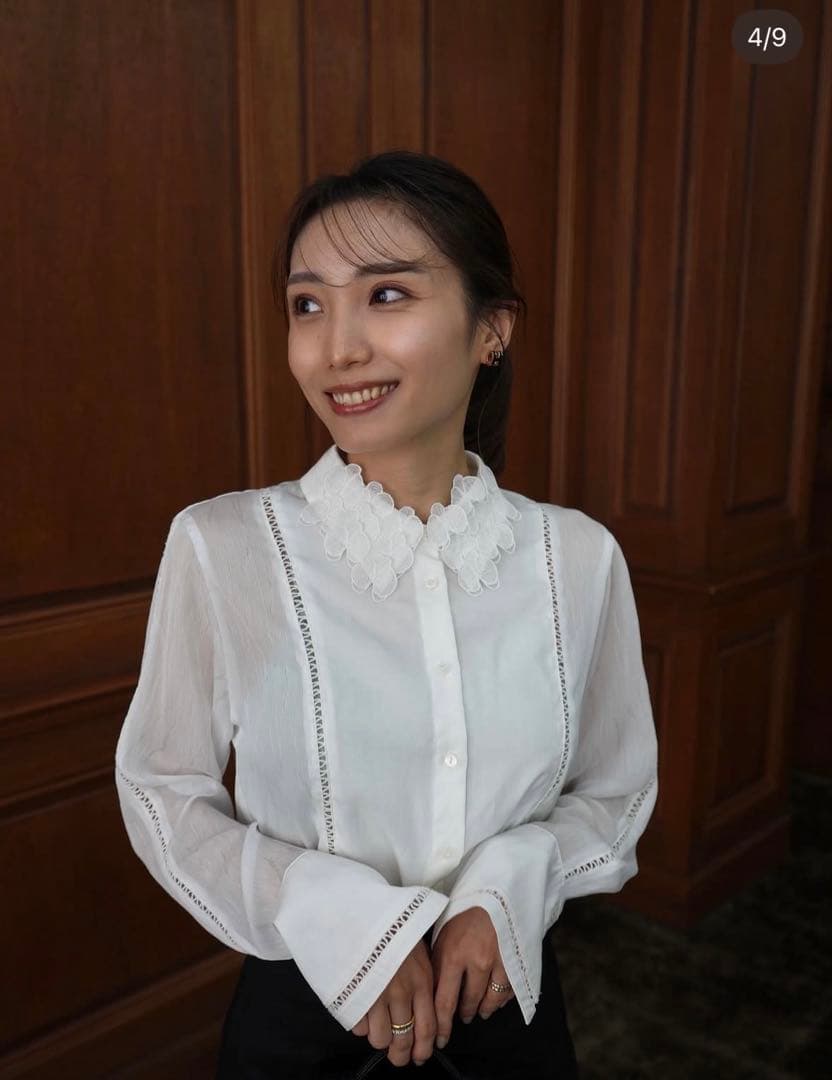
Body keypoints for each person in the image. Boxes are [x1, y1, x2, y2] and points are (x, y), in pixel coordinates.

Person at [114, 150, 659, 1079]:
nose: (337, 349)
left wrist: (509, 887)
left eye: (388, 295)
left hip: (509, 1014)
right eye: (308, 305)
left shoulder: (578, 558)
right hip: (301, 1027)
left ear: (492, 329)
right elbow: (161, 788)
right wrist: (333, 913)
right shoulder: (225, 547)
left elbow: (615, 794)